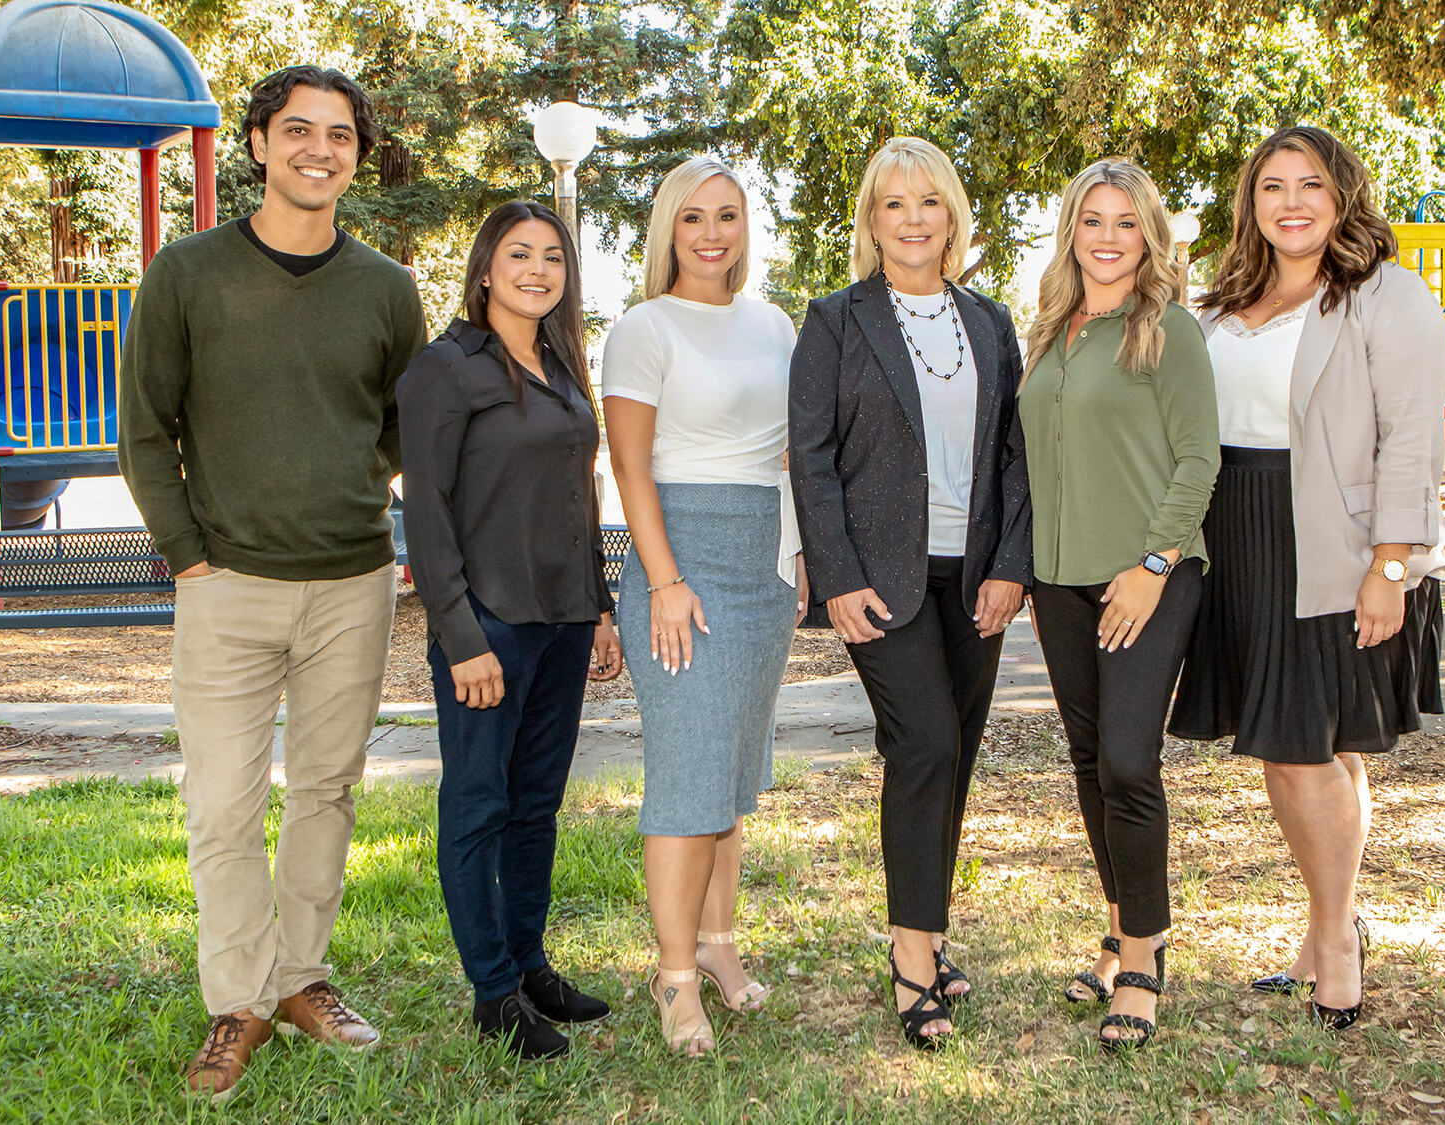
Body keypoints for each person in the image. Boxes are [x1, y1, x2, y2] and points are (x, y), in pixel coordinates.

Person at [117, 65, 427, 1099]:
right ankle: (238, 1002)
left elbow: (401, 424)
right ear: (258, 143)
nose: (319, 151)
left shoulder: (385, 288)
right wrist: (187, 552)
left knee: (326, 793)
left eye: (339, 136)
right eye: (298, 131)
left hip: (352, 582)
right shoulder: (187, 273)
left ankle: (302, 979)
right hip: (226, 583)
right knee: (221, 803)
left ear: (355, 156)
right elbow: (143, 429)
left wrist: (345, 490)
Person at [1167, 125, 1445, 1031]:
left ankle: (1333, 946)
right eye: (1273, 186)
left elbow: (1413, 438)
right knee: (1326, 746)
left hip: (1336, 544)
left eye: (1311, 185)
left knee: (1299, 752)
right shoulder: (1222, 300)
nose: (1292, 202)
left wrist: (1390, 565)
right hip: (1239, 537)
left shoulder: (1385, 297)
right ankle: (1333, 927)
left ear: (1342, 196)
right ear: (1251, 201)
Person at [789, 136, 1032, 1051]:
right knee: (924, 739)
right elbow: (809, 458)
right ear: (871, 220)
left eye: (930, 200)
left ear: (953, 215)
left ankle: (929, 930)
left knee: (955, 751)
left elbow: (1016, 454)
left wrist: (1012, 564)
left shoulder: (991, 322)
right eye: (894, 203)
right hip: (879, 580)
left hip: (972, 576)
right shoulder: (836, 320)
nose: (914, 218)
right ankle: (909, 959)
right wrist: (837, 578)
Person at [397, 200, 622, 1061]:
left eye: (553, 258)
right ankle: (492, 991)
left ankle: (530, 966)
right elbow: (427, 515)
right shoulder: (444, 371)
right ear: (485, 267)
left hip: (564, 622)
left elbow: (580, 491)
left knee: (536, 805)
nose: (537, 269)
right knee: (478, 805)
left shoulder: (566, 365)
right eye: (519, 254)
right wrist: (461, 637)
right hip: (487, 623)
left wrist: (598, 605)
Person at [602, 156, 804, 1056]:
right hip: (678, 563)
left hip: (761, 568)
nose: (712, 233)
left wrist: (793, 566)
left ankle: (719, 948)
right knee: (688, 781)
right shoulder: (644, 328)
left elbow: (791, 456)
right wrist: (668, 580)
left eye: (727, 216)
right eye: (693, 218)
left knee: (729, 778)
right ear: (668, 230)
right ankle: (674, 975)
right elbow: (629, 468)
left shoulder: (776, 324)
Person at [1019, 160, 1219, 1051]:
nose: (1106, 237)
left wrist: (1151, 563)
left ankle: (1144, 953)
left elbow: (1198, 461)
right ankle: (1118, 926)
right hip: (1059, 580)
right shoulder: (1052, 331)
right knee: (1092, 758)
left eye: (1125, 223)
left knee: (1131, 763)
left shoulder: (1168, 330)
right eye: (1092, 220)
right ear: (1072, 230)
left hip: (1149, 574)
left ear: (1149, 236)